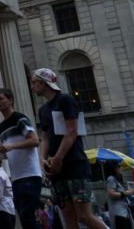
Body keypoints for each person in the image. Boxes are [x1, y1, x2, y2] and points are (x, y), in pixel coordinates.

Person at [30, 67, 107, 229]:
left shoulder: (65, 100)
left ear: (45, 82)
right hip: (56, 170)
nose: (32, 86)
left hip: (74, 164)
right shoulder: (43, 110)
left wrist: (58, 158)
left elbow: (72, 131)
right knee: (69, 221)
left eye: (35, 82)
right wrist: (42, 159)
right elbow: (45, 137)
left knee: (84, 216)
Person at [0, 87, 42, 229]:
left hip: (30, 174)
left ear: (10, 100)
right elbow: (9, 150)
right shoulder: (1, 126)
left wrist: (11, 147)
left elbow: (35, 141)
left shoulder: (19, 118)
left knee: (27, 217)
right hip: (16, 177)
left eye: (0, 98)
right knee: (24, 217)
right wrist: (0, 155)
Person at [104, 162, 134, 229]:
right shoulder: (111, 178)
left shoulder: (118, 180)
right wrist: (126, 193)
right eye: (119, 167)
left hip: (123, 211)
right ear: (114, 169)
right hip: (118, 212)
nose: (121, 168)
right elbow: (111, 194)